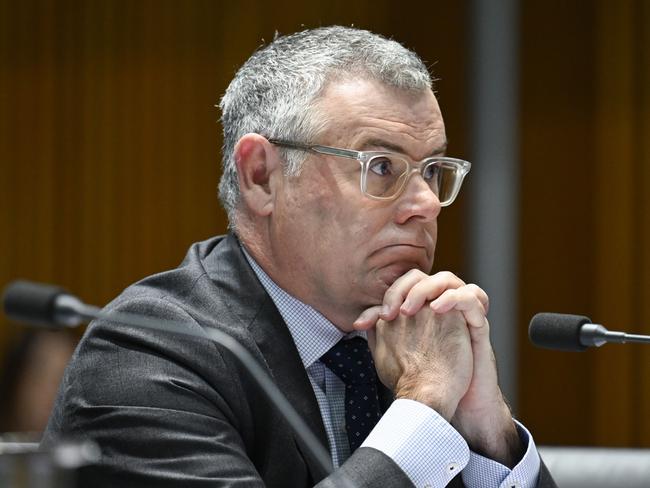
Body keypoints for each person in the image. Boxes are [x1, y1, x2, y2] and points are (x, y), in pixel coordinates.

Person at [42, 26, 556, 487]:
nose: (424, 204)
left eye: (430, 171)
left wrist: (491, 434)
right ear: (261, 176)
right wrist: (423, 408)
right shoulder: (149, 354)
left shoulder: (411, 342)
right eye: (381, 166)